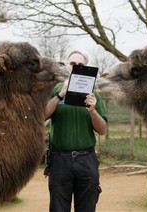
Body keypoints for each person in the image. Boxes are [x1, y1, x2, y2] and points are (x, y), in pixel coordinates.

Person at [44, 50, 108, 212]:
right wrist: (60, 95)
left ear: (85, 68)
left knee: (87, 208)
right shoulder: (55, 89)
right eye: (73, 63)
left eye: (81, 64)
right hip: (59, 162)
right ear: (67, 66)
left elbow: (102, 130)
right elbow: (41, 117)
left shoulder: (94, 95)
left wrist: (93, 110)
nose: (76, 67)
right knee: (58, 208)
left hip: (86, 160)